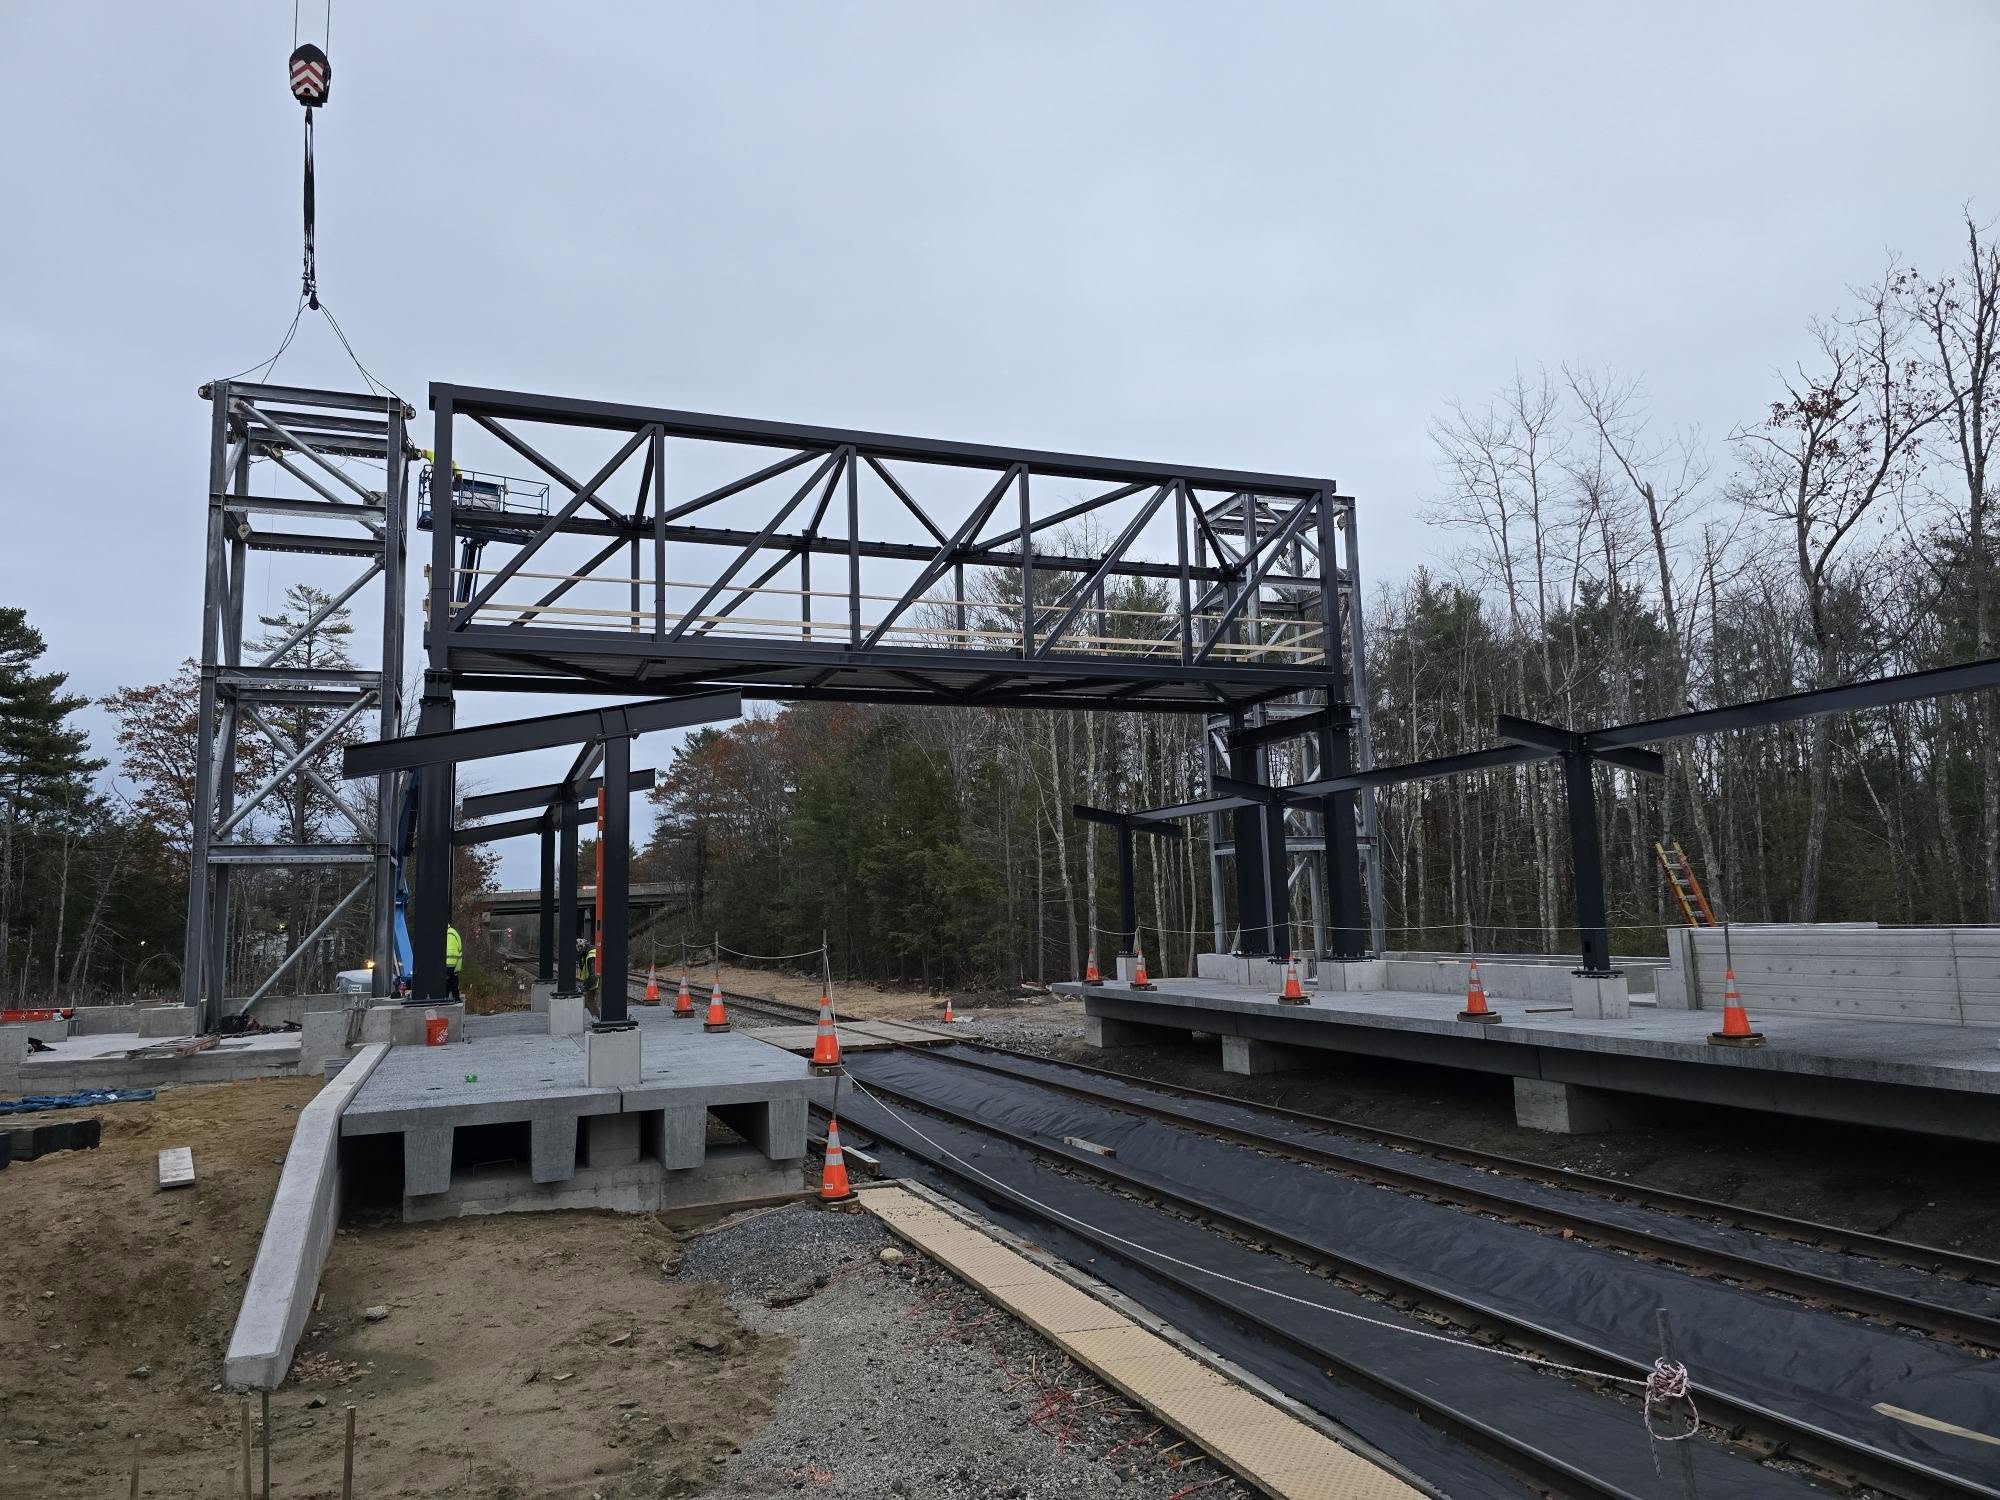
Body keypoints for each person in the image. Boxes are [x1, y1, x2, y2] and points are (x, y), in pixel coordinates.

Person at [444, 922, 463, 1001]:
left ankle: (447, 997)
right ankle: (455, 998)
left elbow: (450, 951)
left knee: (448, 982)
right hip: (455, 964)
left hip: (449, 964)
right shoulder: (453, 932)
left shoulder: (449, 934)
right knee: (453, 982)